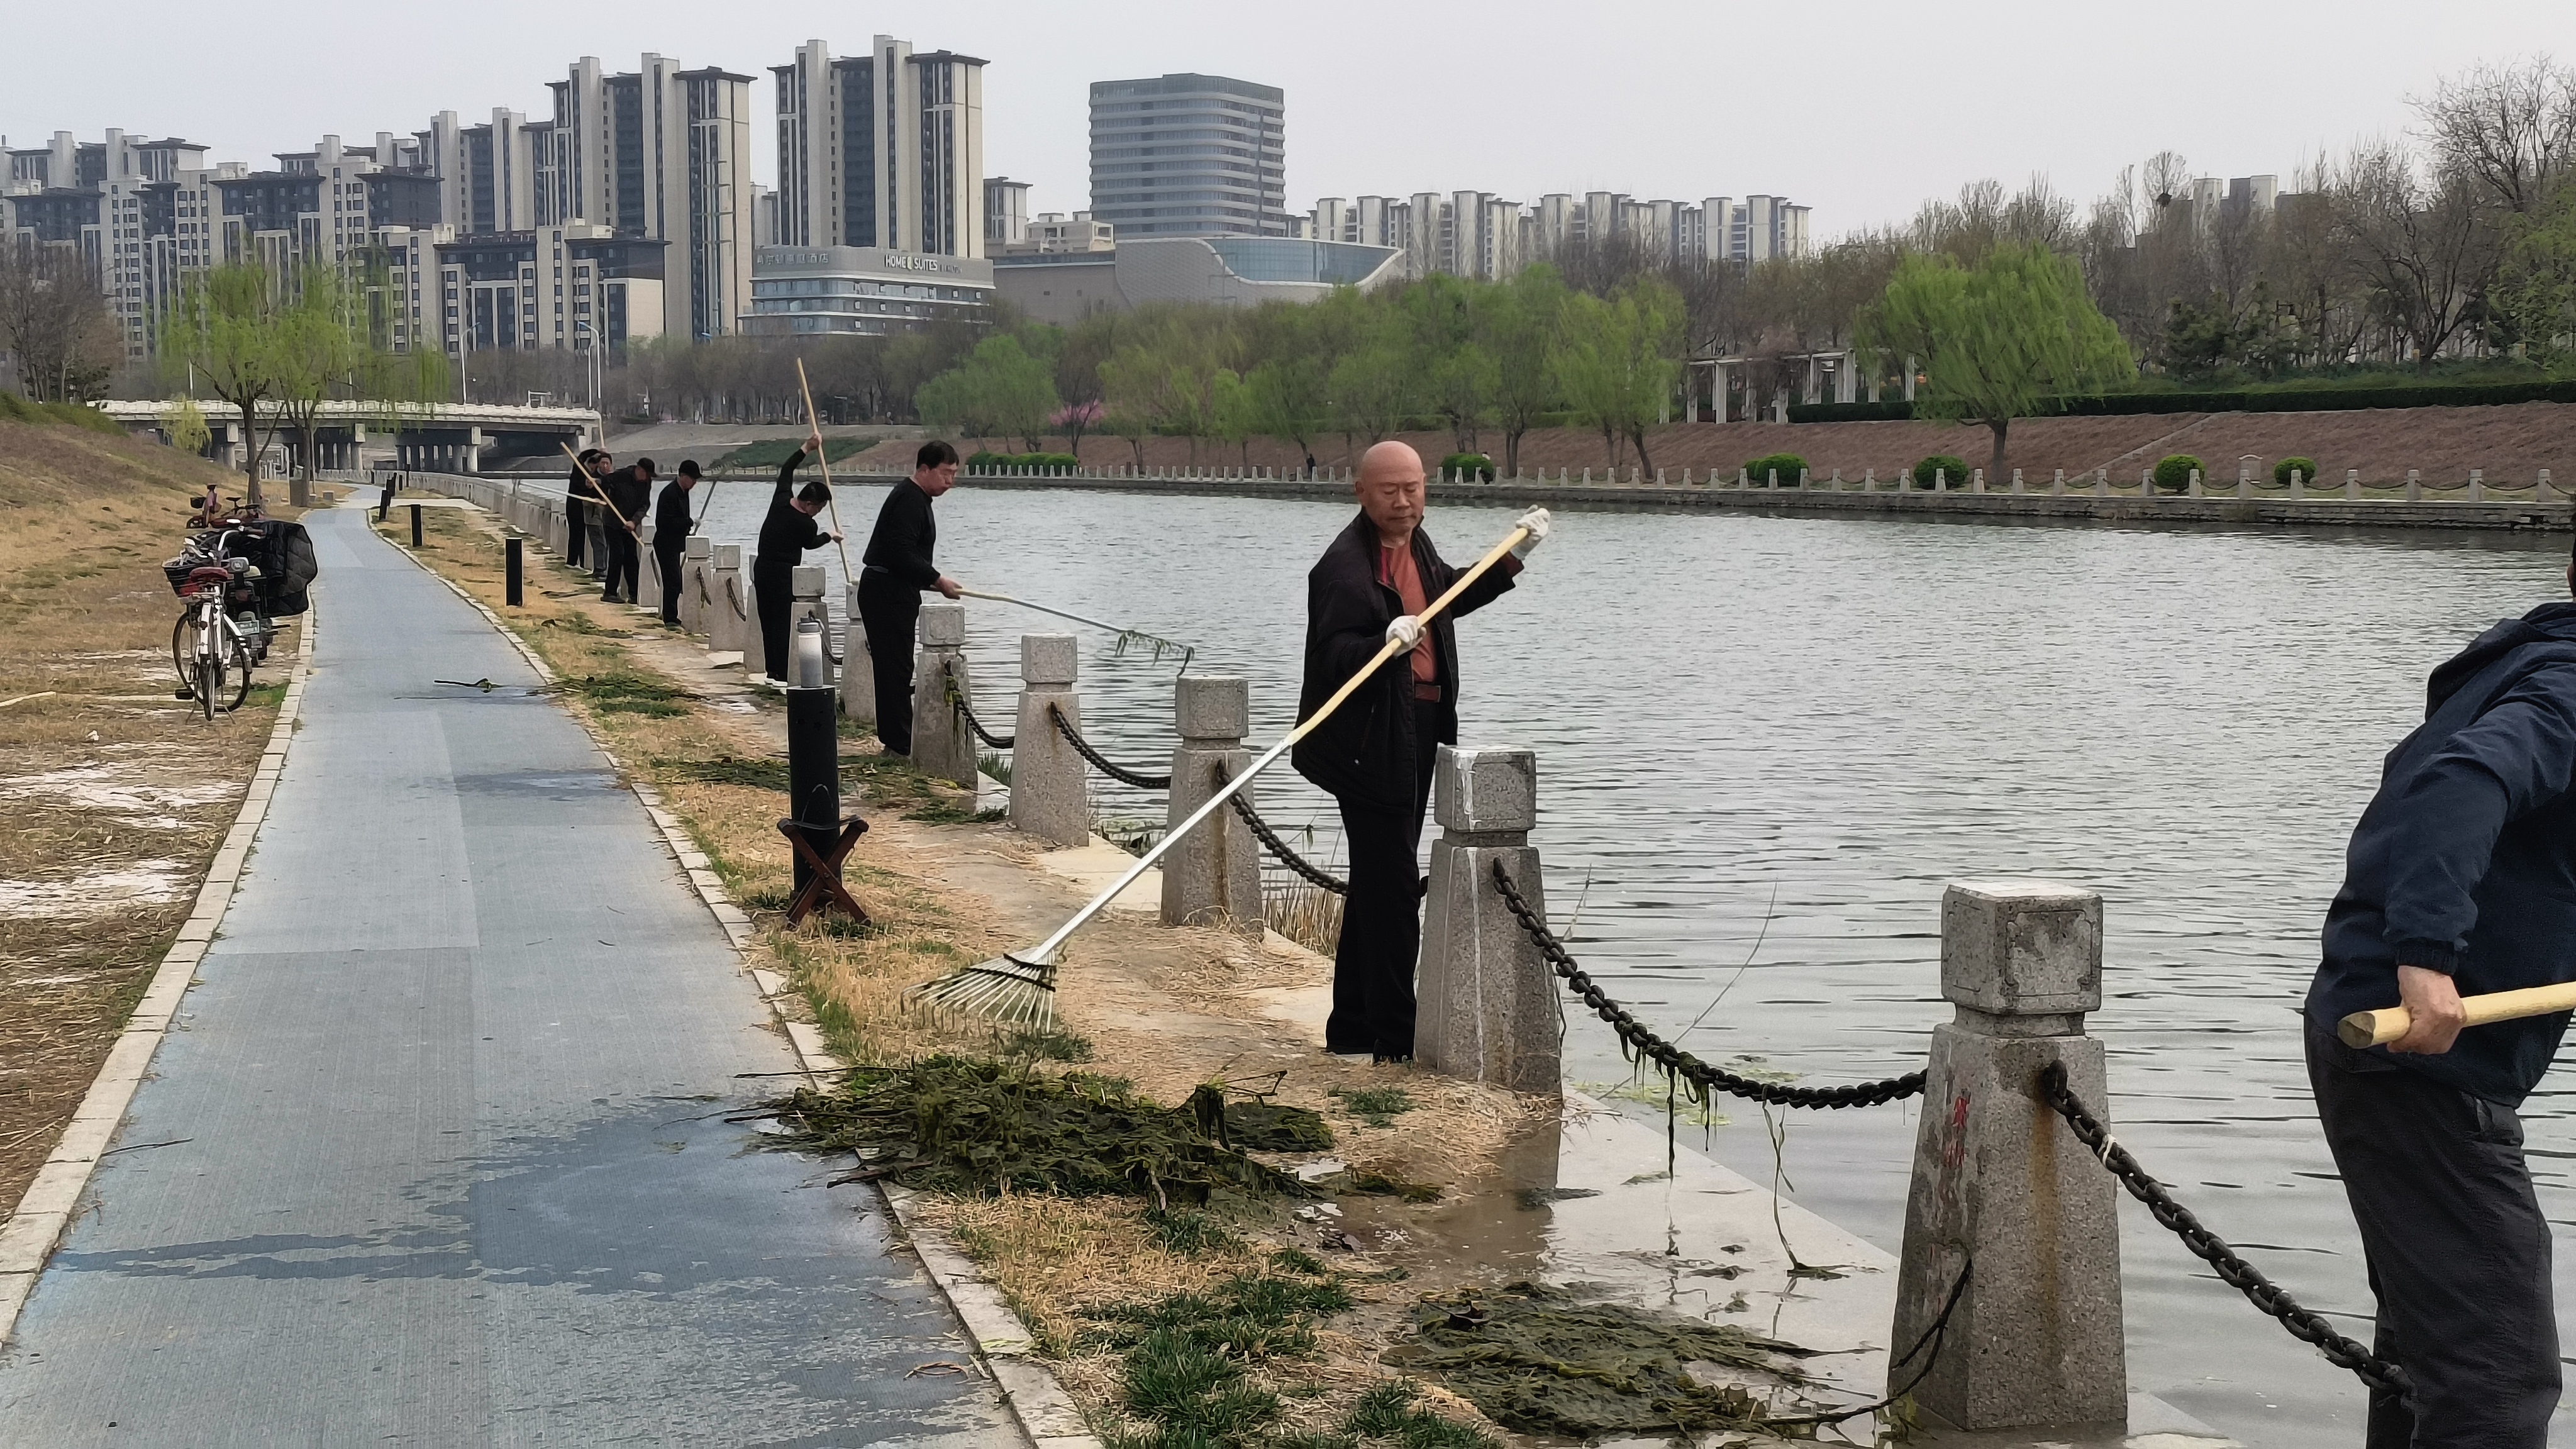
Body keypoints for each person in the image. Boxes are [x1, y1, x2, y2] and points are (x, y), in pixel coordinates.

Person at [2303, 540, 2576, 1449]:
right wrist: (2426, 956)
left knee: (2433, 1359)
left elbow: (2540, 850)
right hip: (2415, 1054)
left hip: (2381, 1038)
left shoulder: (2532, 656)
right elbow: (2460, 781)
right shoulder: (2567, 683)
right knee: (2498, 1374)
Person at [1290, 440, 1548, 1061]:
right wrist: (1382, 639)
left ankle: (1352, 1027)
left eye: (1413, 488)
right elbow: (1333, 658)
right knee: (1396, 888)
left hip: (1418, 724)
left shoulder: (1417, 545)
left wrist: (1512, 557)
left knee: (1379, 882)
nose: (1404, 501)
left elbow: (1448, 597)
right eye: (1390, 491)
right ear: (1361, 493)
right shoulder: (1343, 569)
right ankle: (1396, 1036)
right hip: (1367, 740)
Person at [857, 439, 963, 753]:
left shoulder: (916, 498)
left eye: (954, 474)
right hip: (886, 591)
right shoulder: (909, 499)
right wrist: (936, 579)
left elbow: (905, 556)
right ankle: (900, 743)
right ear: (924, 469)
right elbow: (899, 552)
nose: (950, 481)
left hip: (893, 588)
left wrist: (929, 582)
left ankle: (897, 740)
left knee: (896, 667)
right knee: (895, 668)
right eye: (945, 473)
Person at [753, 432, 845, 684]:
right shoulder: (806, 524)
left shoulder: (781, 499)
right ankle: (782, 674)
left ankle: (772, 671)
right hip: (783, 575)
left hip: (762, 569)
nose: (818, 513)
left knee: (767, 621)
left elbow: (787, 469)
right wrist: (830, 535)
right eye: (819, 508)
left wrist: (807, 447)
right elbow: (811, 543)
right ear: (810, 504)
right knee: (782, 623)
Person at [652, 460, 701, 627]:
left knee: (675, 580)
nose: (694, 483)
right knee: (672, 580)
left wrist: (689, 529)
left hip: (675, 543)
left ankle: (672, 615)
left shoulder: (684, 492)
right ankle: (670, 617)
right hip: (665, 543)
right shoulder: (669, 494)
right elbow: (666, 523)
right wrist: (689, 522)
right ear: (684, 477)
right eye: (693, 479)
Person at [599, 457, 653, 604]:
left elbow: (644, 505)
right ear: (639, 469)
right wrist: (598, 489)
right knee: (617, 556)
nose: (646, 478)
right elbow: (604, 482)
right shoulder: (621, 476)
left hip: (630, 526)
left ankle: (634, 594)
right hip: (613, 522)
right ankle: (610, 592)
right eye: (645, 474)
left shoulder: (646, 482)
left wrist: (634, 521)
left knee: (631, 558)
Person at [564, 450, 604, 571]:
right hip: (574, 507)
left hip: (579, 508)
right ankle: (573, 562)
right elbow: (582, 456)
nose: (594, 470)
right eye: (594, 467)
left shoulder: (590, 477)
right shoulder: (580, 470)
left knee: (579, 535)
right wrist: (598, 451)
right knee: (576, 534)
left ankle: (580, 563)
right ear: (591, 464)